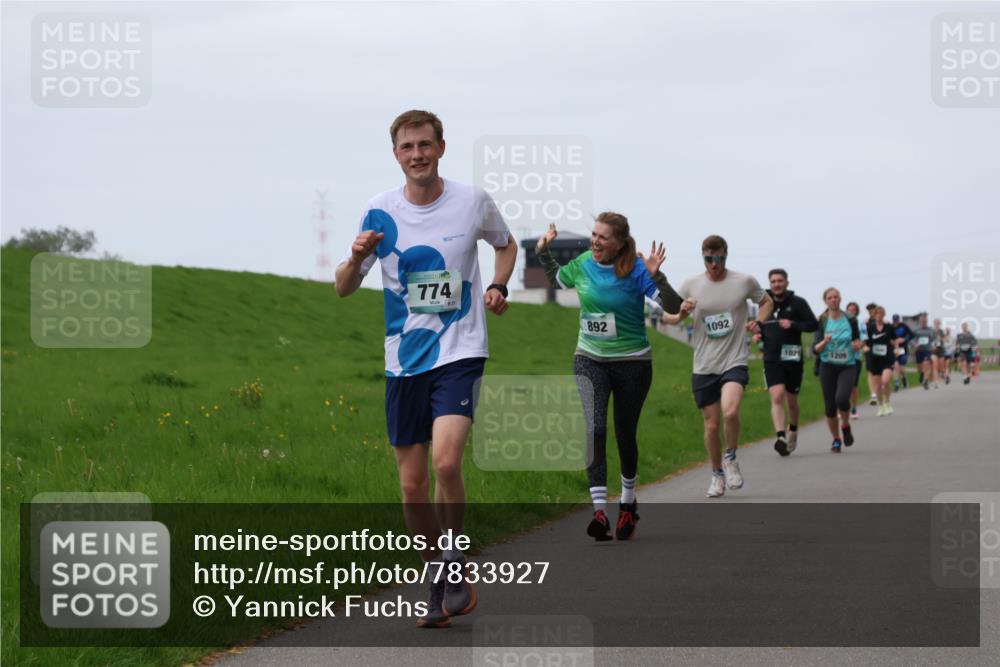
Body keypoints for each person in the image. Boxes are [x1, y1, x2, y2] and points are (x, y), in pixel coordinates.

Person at [335, 110, 517, 629]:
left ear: (441, 147)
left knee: (445, 464)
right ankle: (438, 576)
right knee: (412, 487)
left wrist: (499, 285)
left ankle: (454, 560)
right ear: (396, 154)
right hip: (403, 360)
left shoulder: (471, 200)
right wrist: (353, 257)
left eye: (425, 145)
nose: (417, 154)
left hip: (460, 349)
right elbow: (344, 288)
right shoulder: (379, 211)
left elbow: (506, 244)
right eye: (407, 147)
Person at [536, 216, 680, 541]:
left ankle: (628, 502)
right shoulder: (585, 262)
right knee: (595, 429)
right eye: (593, 234)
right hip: (589, 359)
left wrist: (659, 276)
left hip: (632, 363)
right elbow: (558, 280)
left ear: (619, 242)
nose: (595, 242)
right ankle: (599, 512)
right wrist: (544, 252)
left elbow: (674, 306)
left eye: (603, 237)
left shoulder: (637, 268)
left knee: (624, 433)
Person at [663, 235, 773, 497]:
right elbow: (668, 317)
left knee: (731, 412)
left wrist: (759, 321)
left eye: (719, 258)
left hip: (734, 360)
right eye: (709, 259)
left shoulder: (743, 281)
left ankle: (731, 457)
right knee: (712, 426)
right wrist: (682, 312)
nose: (715, 264)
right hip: (704, 364)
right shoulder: (691, 284)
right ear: (703, 257)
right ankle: (716, 474)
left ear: (726, 255)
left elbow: (766, 301)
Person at [755, 268, 817, 456]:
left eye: (780, 281)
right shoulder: (764, 303)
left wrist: (794, 325)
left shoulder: (798, 303)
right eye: (773, 281)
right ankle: (780, 437)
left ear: (787, 283)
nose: (776, 284)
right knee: (777, 396)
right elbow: (760, 324)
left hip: (793, 357)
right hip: (772, 357)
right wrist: (759, 334)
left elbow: (813, 325)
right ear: (770, 283)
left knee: (792, 401)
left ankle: (794, 429)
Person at [812, 288, 862, 453]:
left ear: (840, 299)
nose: (833, 300)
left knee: (842, 399)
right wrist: (824, 342)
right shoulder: (822, 320)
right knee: (830, 407)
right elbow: (816, 349)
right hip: (827, 365)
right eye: (829, 298)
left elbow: (856, 340)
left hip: (847, 364)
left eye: (836, 297)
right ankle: (836, 439)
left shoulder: (850, 318)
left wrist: (857, 345)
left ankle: (846, 425)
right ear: (825, 301)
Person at [864, 306, 901, 416]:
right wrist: (865, 347)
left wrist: (897, 348)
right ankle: (881, 406)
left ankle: (888, 402)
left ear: (883, 315)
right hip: (874, 359)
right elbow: (866, 341)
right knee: (878, 385)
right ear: (874, 315)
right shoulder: (870, 327)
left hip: (887, 357)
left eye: (881, 313)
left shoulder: (889, 327)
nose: (879, 315)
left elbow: (895, 340)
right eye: (877, 313)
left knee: (885, 381)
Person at [846, 301, 865, 419]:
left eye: (854, 310)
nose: (852, 312)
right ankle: (842, 408)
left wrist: (857, 345)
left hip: (855, 358)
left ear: (857, 312)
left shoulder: (860, 324)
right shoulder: (841, 322)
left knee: (853, 385)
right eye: (849, 310)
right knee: (841, 385)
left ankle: (854, 408)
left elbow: (864, 340)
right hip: (841, 358)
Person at [912, 313, 937, 390]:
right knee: (920, 368)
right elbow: (911, 339)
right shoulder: (916, 330)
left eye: (925, 320)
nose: (924, 321)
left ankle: (925, 380)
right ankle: (923, 375)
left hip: (927, 350)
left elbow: (935, 339)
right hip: (919, 350)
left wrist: (934, 345)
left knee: (927, 364)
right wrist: (914, 344)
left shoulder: (931, 330)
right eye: (922, 320)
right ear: (920, 320)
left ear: (927, 320)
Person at [891, 314, 914, 391]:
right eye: (894, 320)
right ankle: (896, 384)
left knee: (901, 366)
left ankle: (904, 378)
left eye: (897, 320)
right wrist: (892, 342)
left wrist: (904, 339)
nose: (895, 322)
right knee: (895, 365)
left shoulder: (904, 326)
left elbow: (911, 335)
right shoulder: (890, 327)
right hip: (893, 349)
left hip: (903, 348)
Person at [864, 302, 879, 405]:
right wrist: (864, 346)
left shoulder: (882, 322)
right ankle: (873, 394)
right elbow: (862, 335)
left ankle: (879, 392)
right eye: (869, 310)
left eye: (873, 309)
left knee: (879, 373)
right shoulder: (865, 323)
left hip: (881, 350)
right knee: (870, 371)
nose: (871, 312)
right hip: (869, 349)